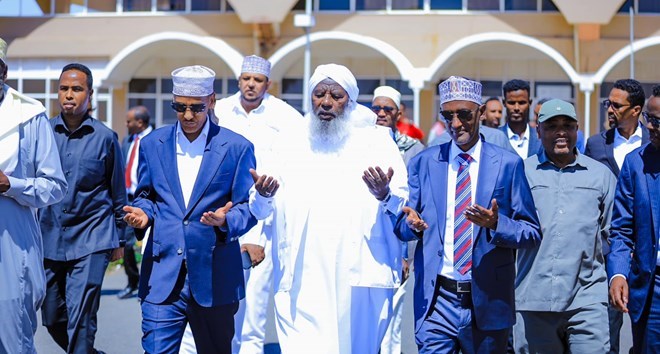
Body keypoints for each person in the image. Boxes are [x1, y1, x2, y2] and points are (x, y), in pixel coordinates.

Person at [250, 64, 409, 354]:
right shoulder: (288, 141)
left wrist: (384, 193)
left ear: (350, 99)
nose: (326, 102)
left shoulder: (376, 140)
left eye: (336, 95)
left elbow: (400, 201)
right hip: (302, 273)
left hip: (358, 271)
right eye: (318, 94)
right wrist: (262, 196)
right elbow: (260, 208)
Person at [394, 76, 541, 353]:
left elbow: (531, 232)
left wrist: (497, 224)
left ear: (481, 113)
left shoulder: (507, 164)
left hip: (486, 300)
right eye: (448, 115)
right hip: (437, 302)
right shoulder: (424, 162)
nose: (456, 124)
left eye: (464, 114)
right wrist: (410, 226)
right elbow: (404, 223)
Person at [123, 65, 258, 354]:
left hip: (215, 277)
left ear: (211, 102)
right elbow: (145, 195)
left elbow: (247, 207)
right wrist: (143, 214)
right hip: (162, 275)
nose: (187, 116)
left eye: (196, 108)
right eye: (179, 107)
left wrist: (225, 221)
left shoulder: (236, 147)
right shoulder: (152, 145)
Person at [179, 55, 302, 354]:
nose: (251, 84)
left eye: (257, 80)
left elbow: (294, 169)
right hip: (217, 221)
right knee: (209, 308)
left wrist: (257, 235)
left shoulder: (286, 117)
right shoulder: (219, 111)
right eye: (246, 78)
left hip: (264, 220)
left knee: (252, 312)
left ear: (267, 84)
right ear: (239, 81)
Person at [38, 63, 126, 353]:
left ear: (90, 95)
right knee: (51, 316)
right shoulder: (42, 133)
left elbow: (117, 193)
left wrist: (120, 239)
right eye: (64, 88)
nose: (69, 95)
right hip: (49, 238)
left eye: (77, 89)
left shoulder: (106, 138)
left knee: (82, 316)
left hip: (92, 237)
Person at [515, 99, 615, 353]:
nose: (561, 132)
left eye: (568, 125)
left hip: (587, 300)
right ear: (538, 131)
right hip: (532, 301)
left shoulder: (599, 175)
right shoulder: (520, 173)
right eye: (552, 126)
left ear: (577, 130)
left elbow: (615, 234)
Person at [0, 37, 67, 354]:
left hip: (13, 245)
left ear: (3, 72)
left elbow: (55, 185)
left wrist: (11, 185)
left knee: (14, 338)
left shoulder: (29, 115)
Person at [585, 79, 650, 354]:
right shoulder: (595, 145)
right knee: (607, 331)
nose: (609, 109)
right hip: (609, 249)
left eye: (616, 105)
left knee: (647, 333)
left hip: (647, 249)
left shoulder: (652, 144)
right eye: (607, 103)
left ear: (635, 110)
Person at [371, 85, 423, 354]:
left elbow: (411, 206)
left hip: (398, 240)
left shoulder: (413, 150)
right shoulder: (361, 143)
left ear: (398, 113)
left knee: (394, 318)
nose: (380, 113)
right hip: (367, 242)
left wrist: (404, 254)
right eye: (376, 108)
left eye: (387, 109)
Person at [607, 84, 660, 354]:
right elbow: (621, 229)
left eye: (658, 121)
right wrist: (618, 272)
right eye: (649, 119)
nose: (649, 128)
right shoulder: (635, 163)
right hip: (652, 291)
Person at [117, 105, 153, 300]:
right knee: (128, 242)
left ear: (140, 123)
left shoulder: (156, 140)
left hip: (149, 199)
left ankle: (149, 283)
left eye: (129, 121)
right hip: (129, 198)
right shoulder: (128, 140)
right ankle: (133, 282)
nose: (126, 124)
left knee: (149, 243)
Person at [500, 79, 542, 158]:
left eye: (521, 103)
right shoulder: (494, 138)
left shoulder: (541, 138)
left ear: (530, 103)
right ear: (504, 103)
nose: (516, 108)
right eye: (511, 103)